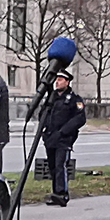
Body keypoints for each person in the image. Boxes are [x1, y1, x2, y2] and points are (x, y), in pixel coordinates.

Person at [40, 64, 88, 205]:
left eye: (60, 80)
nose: (57, 82)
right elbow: (43, 113)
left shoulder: (74, 99)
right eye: (57, 79)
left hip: (64, 138)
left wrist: (64, 131)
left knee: (61, 165)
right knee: (53, 166)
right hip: (50, 137)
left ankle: (62, 194)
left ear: (67, 82)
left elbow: (80, 118)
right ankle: (55, 192)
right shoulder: (52, 98)